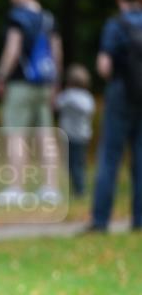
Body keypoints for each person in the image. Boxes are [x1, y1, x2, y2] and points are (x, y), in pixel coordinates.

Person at [0, 0, 63, 207]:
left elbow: (13, 50)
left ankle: (16, 188)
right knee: (46, 134)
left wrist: (1, 76)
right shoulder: (48, 18)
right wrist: (55, 82)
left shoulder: (17, 17)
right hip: (44, 83)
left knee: (16, 134)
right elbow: (56, 52)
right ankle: (50, 188)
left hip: (20, 83)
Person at [87, 0, 142, 232]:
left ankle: (100, 221)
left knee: (110, 156)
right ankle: (139, 220)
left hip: (120, 93)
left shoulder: (115, 25)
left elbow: (104, 66)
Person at [55, 64, 95, 197]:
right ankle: (79, 189)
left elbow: (56, 104)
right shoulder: (87, 97)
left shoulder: (66, 96)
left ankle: (72, 189)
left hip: (67, 135)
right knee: (79, 164)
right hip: (83, 136)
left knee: (67, 164)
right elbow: (90, 110)